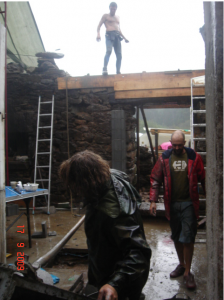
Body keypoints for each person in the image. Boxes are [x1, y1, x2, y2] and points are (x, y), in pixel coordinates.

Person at [59, 150, 151, 300]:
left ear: (84, 183)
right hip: (107, 264)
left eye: (75, 185)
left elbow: (139, 253)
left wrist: (114, 284)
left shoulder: (113, 212)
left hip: (120, 281)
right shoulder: (110, 176)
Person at [149, 130, 205, 290]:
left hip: (188, 202)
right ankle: (181, 264)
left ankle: (188, 272)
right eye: (174, 145)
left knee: (187, 237)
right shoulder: (165, 157)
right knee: (177, 236)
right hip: (171, 204)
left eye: (180, 145)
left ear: (185, 143)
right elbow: (155, 178)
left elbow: (203, 178)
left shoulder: (194, 157)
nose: (177, 148)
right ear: (171, 143)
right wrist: (153, 200)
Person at [96, 2, 129, 75]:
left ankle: (118, 71)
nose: (112, 10)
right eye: (111, 9)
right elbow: (99, 25)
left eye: (114, 9)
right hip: (109, 35)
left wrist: (124, 38)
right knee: (109, 51)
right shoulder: (105, 16)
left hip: (117, 36)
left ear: (116, 9)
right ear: (109, 8)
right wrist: (98, 34)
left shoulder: (118, 17)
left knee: (119, 55)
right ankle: (104, 68)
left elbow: (119, 29)